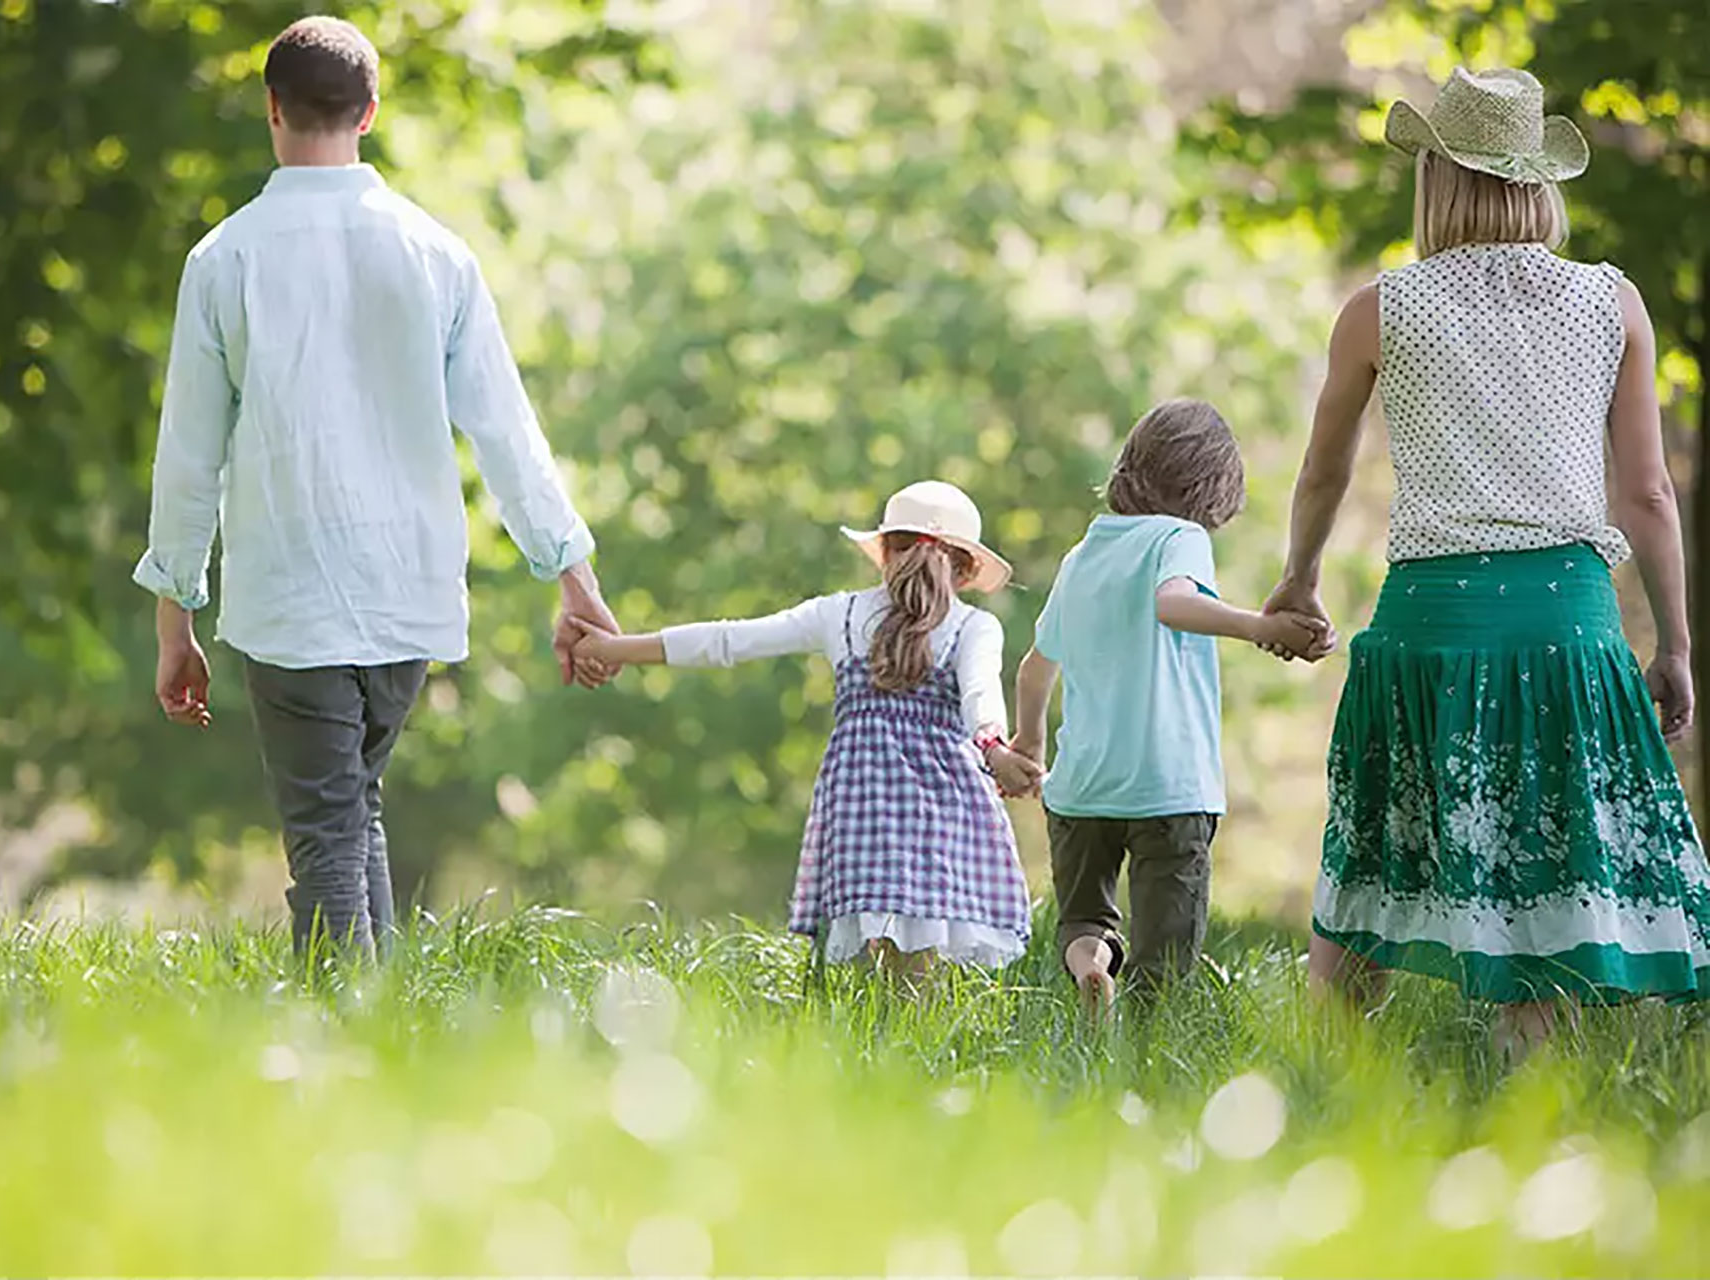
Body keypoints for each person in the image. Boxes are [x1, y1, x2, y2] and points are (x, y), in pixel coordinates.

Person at [134, 17, 618, 963]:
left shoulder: (223, 260)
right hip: (406, 586)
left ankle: (339, 1050)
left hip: (288, 590)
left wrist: (174, 621)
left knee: (326, 832)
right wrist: (572, 572)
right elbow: (505, 429)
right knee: (353, 814)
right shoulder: (437, 253)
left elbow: (188, 457)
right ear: (372, 112)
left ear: (271, 110)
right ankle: (385, 1036)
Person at [1262, 67, 1710, 1054]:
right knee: (1546, 857)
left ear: (1435, 178)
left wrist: (1297, 576)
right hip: (1568, 620)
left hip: (1428, 620)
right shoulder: (1612, 302)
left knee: (1372, 857)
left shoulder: (1379, 308)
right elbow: (1647, 495)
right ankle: (1530, 1091)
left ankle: (1327, 1079)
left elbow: (1323, 471)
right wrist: (1673, 643)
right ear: (1536, 179)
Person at [572, 481, 1038, 977]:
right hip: (943, 808)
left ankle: (878, 1048)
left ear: (882, 552)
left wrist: (613, 648)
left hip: (863, 805)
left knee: (874, 959)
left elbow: (728, 640)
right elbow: (980, 699)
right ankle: (917, 1048)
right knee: (923, 961)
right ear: (966, 569)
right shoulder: (974, 627)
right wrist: (995, 752)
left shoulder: (838, 614)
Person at [1008, 400, 1327, 1006]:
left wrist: (1029, 742)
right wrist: (1260, 627)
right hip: (1169, 785)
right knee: (1167, 949)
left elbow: (1034, 668)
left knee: (1083, 919)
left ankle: (1092, 971)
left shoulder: (1083, 554)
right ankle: (1152, 1052)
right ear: (1212, 485)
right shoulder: (1178, 536)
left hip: (1081, 788)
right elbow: (1173, 603)